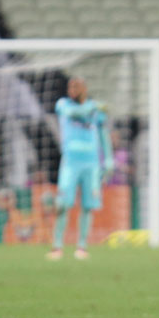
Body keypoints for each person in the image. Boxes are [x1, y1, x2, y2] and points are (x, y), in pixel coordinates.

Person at [46, 77, 113, 260]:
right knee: (63, 204)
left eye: (76, 86)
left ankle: (82, 246)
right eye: (70, 86)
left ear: (84, 88)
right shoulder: (63, 105)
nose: (72, 89)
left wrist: (108, 159)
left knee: (88, 206)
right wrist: (94, 106)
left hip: (91, 163)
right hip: (70, 162)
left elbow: (103, 134)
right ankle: (57, 246)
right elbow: (74, 114)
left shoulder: (95, 110)